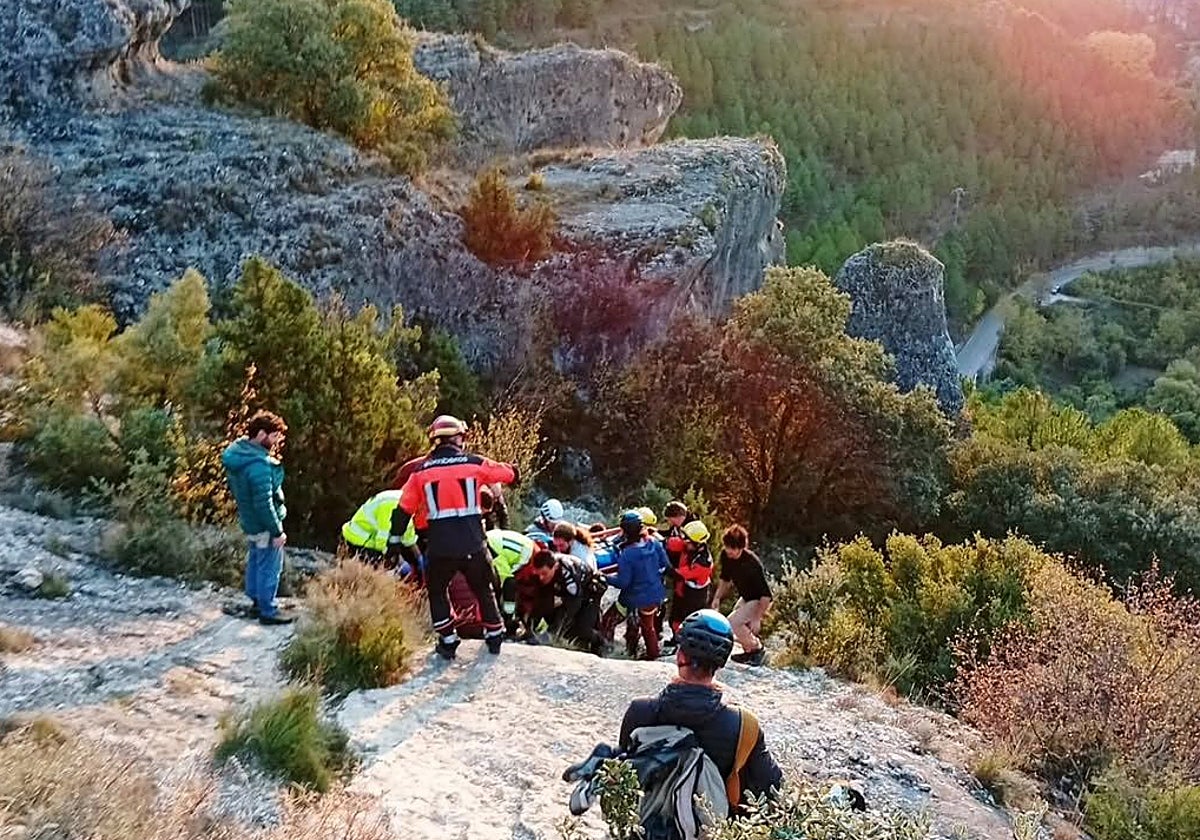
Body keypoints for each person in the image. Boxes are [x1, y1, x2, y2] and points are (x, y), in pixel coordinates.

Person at [618, 610, 783, 811]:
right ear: (721, 664)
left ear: (680, 656)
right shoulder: (742, 725)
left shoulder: (640, 712)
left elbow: (620, 778)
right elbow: (773, 788)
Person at [390, 414, 519, 660]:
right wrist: (514, 472)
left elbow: (403, 510)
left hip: (440, 547)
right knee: (484, 588)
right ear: (459, 437)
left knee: (437, 591)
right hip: (474, 543)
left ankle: (448, 641)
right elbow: (506, 474)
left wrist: (394, 542)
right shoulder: (474, 463)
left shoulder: (420, 472)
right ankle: (494, 636)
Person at [221, 410, 292, 625]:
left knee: (255, 560)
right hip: (264, 524)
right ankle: (268, 610)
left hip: (249, 520)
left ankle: (255, 602)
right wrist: (277, 531)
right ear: (261, 434)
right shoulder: (259, 465)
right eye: (273, 436)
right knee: (270, 564)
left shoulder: (238, 454)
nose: (276, 442)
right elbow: (264, 503)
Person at [606, 510, 668, 660]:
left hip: (634, 598)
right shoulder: (653, 542)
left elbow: (623, 583)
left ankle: (606, 651)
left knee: (608, 621)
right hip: (654, 595)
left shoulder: (628, 553)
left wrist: (604, 577)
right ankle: (654, 657)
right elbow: (664, 565)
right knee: (648, 628)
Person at [710, 525, 772, 666]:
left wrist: (757, 618)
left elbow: (766, 595)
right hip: (746, 596)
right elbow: (725, 579)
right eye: (727, 547)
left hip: (759, 599)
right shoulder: (726, 556)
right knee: (737, 624)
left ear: (741, 548)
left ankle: (758, 650)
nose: (729, 551)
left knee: (733, 622)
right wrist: (717, 598)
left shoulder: (752, 563)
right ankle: (749, 652)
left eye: (732, 549)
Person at [526, 549, 607, 655]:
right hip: (567, 593)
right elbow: (539, 602)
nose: (541, 577)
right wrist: (530, 629)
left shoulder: (568, 572)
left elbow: (573, 605)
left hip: (589, 592)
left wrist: (553, 632)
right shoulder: (542, 576)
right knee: (549, 611)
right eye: (538, 574)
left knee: (582, 629)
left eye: (544, 573)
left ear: (554, 567)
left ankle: (602, 645)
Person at [340, 489, 419, 569]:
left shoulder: (407, 504)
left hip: (371, 540)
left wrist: (419, 559)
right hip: (357, 541)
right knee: (387, 567)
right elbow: (382, 541)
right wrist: (399, 564)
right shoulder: (391, 505)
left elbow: (408, 537)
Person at [667, 519, 714, 640]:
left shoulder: (703, 563)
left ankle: (685, 643)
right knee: (674, 619)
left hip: (694, 596)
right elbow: (674, 543)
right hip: (682, 590)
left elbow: (680, 574)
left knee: (689, 621)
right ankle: (676, 638)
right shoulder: (690, 546)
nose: (684, 542)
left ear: (697, 543)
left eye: (687, 541)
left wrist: (663, 568)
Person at [486, 528, 537, 635]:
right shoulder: (486, 541)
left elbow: (507, 583)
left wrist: (507, 616)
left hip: (527, 556)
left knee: (512, 590)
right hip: (524, 546)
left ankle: (514, 622)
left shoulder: (495, 557)